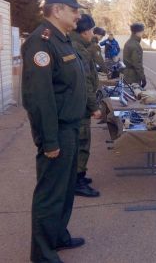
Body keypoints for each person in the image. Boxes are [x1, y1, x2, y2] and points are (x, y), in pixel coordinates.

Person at [21, 0, 87, 263]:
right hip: (56, 131)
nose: (78, 15)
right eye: (74, 10)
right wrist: (49, 141)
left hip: (70, 127)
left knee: (65, 187)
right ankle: (43, 255)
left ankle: (58, 236)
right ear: (57, 10)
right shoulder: (42, 42)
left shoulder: (63, 40)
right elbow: (40, 98)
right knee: (50, 195)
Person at [70, 14, 102, 198]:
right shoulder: (78, 49)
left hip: (78, 103)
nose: (92, 34)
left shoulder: (78, 46)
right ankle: (77, 180)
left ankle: (78, 176)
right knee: (81, 142)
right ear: (84, 32)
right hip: (80, 105)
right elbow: (85, 82)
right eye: (91, 30)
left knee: (80, 141)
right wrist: (94, 106)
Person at [123, 23, 146, 87]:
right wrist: (142, 77)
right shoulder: (135, 45)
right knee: (134, 94)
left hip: (127, 73)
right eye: (142, 31)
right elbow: (137, 63)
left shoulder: (128, 42)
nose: (142, 33)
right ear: (137, 32)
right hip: (133, 76)